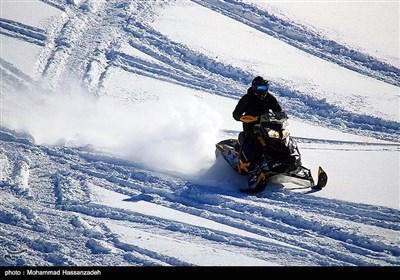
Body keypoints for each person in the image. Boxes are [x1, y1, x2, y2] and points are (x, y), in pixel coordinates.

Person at [232, 76, 283, 172]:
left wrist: (281, 115)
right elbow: (236, 113)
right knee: (253, 141)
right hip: (250, 124)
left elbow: (278, 110)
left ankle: (288, 159)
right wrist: (241, 117)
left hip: (267, 124)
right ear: (254, 88)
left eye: (265, 88)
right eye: (260, 88)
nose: (263, 91)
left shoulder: (270, 98)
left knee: (279, 139)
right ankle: (246, 164)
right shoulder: (247, 98)